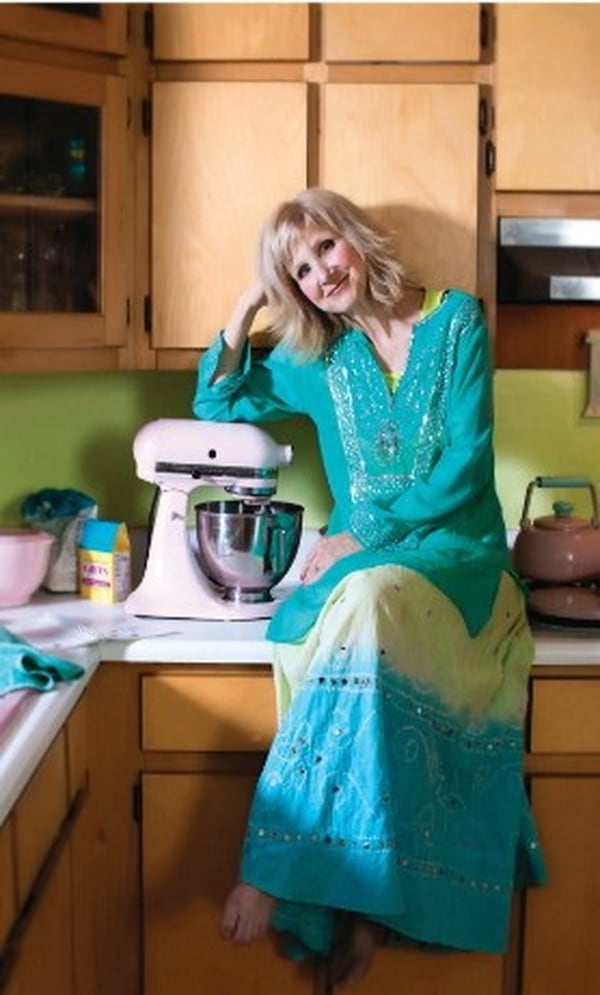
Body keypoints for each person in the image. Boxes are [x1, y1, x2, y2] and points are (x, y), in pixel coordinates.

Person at [192, 188, 546, 987]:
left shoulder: (457, 323)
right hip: (366, 573)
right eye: (298, 271)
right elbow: (214, 398)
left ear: (355, 238)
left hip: (455, 555)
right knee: (361, 609)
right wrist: (252, 297)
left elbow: (463, 468)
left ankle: (277, 864)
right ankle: (357, 905)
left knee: (363, 597)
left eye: (324, 250)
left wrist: (360, 535)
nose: (319, 275)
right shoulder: (320, 354)